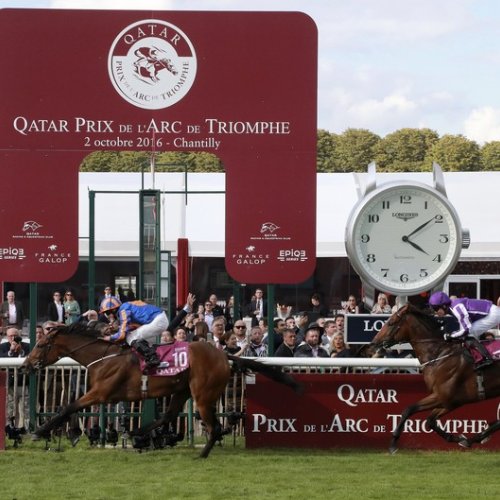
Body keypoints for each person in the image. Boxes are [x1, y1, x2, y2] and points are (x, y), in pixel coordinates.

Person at [429, 291, 500, 369]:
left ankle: (486, 358)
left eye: (436, 308)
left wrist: (451, 336)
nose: (435, 312)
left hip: (492, 314)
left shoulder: (456, 307)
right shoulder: (453, 306)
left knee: (469, 333)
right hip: (491, 312)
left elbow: (466, 329)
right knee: (466, 333)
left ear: (444, 306)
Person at [100, 297, 167, 370]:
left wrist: (110, 337)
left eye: (106, 313)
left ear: (112, 310)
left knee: (130, 337)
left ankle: (153, 359)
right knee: (137, 338)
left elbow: (122, 335)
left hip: (158, 320)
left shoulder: (123, 310)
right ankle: (150, 357)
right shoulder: (125, 307)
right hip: (158, 319)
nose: (107, 316)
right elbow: (132, 327)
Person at [0, 327, 30, 428]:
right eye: (11, 336)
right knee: (10, 407)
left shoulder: (28, 346)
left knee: (26, 407)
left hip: (24, 381)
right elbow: (2, 358)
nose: (13, 338)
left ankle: (27, 427)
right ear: (7, 337)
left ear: (20, 336)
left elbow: (30, 358)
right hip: (9, 382)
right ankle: (10, 428)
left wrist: (21, 351)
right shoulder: (2, 346)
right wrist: (11, 352)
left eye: (15, 336)